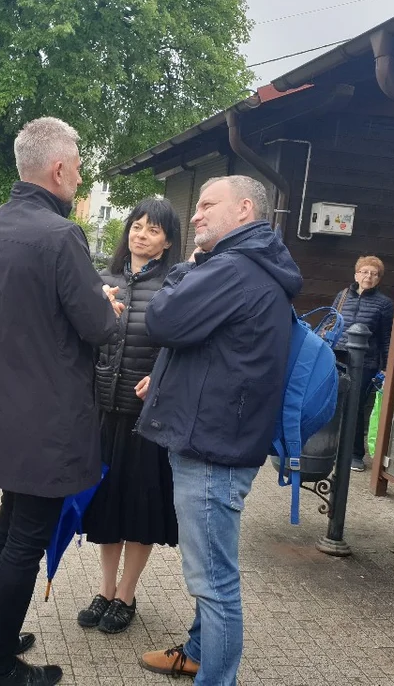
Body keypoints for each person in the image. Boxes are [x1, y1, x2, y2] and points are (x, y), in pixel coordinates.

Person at [0, 117, 122, 686]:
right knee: (25, 539)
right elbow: (97, 325)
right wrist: (107, 302)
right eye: (77, 164)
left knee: (8, 527)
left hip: (5, 409)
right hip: (49, 417)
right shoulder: (60, 235)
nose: (79, 174)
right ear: (57, 169)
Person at [136, 175, 302, 686]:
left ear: (244, 209)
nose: (196, 215)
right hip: (218, 437)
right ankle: (196, 651)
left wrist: (179, 269)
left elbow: (162, 320)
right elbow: (214, 349)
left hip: (213, 449)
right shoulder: (249, 266)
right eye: (198, 204)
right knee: (211, 569)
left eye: (208, 205)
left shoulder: (230, 268)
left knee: (213, 580)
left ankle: (216, 676)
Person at [78, 197, 182, 635]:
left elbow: (182, 349)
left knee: (139, 511)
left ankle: (126, 595)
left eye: (153, 230)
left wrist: (159, 380)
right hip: (104, 412)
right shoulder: (103, 280)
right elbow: (83, 343)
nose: (141, 234)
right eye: (136, 226)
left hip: (147, 420)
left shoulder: (175, 287)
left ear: (167, 243)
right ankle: (104, 591)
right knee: (104, 508)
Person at [330, 256, 394, 471]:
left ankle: (355, 454)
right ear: (356, 274)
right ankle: (331, 448)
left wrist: (386, 366)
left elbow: (386, 338)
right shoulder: (342, 296)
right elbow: (331, 322)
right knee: (334, 403)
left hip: (366, 363)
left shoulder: (384, 304)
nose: (368, 276)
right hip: (338, 357)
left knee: (355, 407)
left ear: (378, 279)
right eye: (365, 272)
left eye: (374, 274)